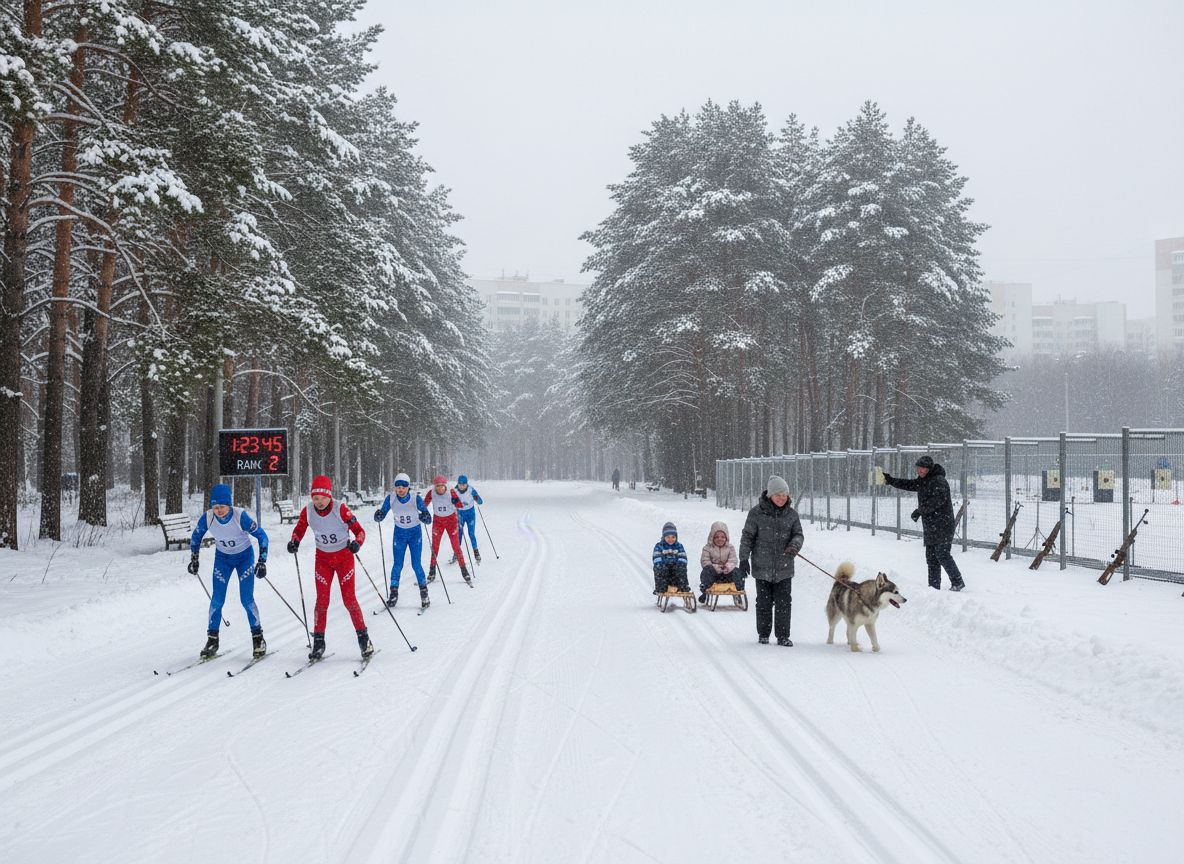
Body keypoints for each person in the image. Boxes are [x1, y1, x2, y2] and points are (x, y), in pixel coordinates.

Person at [287, 475, 374, 660]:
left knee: (349, 599)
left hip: (344, 558)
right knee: (322, 601)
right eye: (315, 498)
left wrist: (357, 544)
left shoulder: (340, 508)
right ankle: (319, 642)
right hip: (323, 560)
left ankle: (364, 639)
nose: (319, 502)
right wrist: (294, 541)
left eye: (323, 498)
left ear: (329, 496)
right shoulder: (308, 511)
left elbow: (360, 531)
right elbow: (299, 529)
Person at [189, 483, 269, 660]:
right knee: (217, 600)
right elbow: (195, 538)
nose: (219, 510)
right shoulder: (208, 517)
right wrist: (194, 558)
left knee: (246, 599)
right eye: (215, 507)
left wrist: (262, 561)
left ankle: (258, 639)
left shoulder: (240, 516)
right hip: (223, 559)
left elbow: (262, 536)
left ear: (229, 504)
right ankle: (212, 640)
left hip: (244, 558)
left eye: (222, 507)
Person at [883, 456, 965, 591]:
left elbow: (937, 501)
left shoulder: (939, 481)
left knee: (942, 554)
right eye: (918, 468)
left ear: (928, 469)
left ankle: (957, 581)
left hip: (943, 524)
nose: (919, 471)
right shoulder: (924, 481)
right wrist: (891, 480)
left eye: (922, 468)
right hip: (932, 525)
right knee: (931, 557)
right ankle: (933, 587)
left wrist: (919, 511)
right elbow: (908, 484)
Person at [739, 475, 804, 646]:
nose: (782, 498)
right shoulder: (756, 513)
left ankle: (783, 636)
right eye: (778, 495)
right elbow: (747, 537)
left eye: (784, 495)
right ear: (770, 495)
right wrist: (744, 558)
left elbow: (798, 534)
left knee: (784, 602)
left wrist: (794, 546)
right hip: (762, 567)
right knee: (763, 602)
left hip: (784, 567)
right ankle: (763, 634)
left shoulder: (791, 515)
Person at [374, 472, 432, 609]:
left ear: (408, 488)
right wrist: (378, 516)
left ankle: (424, 594)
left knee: (416, 564)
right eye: (398, 487)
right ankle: (393, 594)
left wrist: (424, 517)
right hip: (399, 534)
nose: (400, 489)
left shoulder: (415, 498)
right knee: (397, 564)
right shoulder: (391, 498)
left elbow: (428, 518)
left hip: (414, 534)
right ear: (394, 487)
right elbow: (382, 514)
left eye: (404, 487)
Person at [423, 475, 471, 584]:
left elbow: (459, 505)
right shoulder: (431, 493)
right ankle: (432, 572)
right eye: (438, 486)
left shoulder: (451, 492)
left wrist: (456, 501)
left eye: (442, 486)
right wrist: (423, 514)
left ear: (445, 485)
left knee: (456, 546)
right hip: (438, 521)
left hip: (451, 521)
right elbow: (423, 505)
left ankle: (464, 571)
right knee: (435, 547)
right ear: (435, 486)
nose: (440, 488)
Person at [698, 520, 740, 603]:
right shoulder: (707, 548)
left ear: (726, 538)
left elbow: (733, 560)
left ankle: (738, 590)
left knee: (737, 571)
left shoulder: (730, 548)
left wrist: (727, 567)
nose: (719, 539)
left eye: (722, 537)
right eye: (716, 537)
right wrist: (716, 567)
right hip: (713, 576)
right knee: (707, 570)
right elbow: (705, 562)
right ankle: (705, 590)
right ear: (712, 538)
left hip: (727, 574)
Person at [652, 521, 690, 594]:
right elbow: (656, 558)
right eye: (668, 537)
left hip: (675, 572)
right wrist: (661, 564)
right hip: (664, 571)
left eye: (673, 537)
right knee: (659, 568)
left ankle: (682, 586)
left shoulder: (679, 546)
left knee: (681, 568)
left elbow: (683, 557)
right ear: (664, 537)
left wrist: (679, 564)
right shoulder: (659, 546)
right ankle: (661, 588)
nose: (670, 539)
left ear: (676, 537)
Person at [453, 474, 484, 563]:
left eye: (464, 484)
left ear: (467, 484)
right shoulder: (454, 491)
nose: (462, 486)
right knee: (459, 534)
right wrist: (453, 501)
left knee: (471, 533)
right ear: (457, 484)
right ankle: (456, 553)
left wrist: (476, 498)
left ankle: (476, 552)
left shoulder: (471, 490)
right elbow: (450, 503)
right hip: (460, 514)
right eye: (460, 484)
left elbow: (480, 502)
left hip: (470, 514)